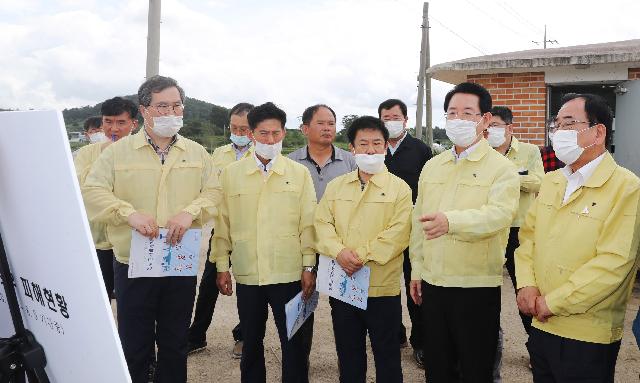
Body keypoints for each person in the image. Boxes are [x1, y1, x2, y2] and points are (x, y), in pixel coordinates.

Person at [83, 76, 221, 383]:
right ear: (144, 110)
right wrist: (127, 213)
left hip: (179, 262)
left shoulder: (196, 152)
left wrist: (190, 211)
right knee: (134, 343)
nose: (171, 112)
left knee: (175, 342)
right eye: (162, 106)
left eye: (176, 105)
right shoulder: (117, 153)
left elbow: (214, 192)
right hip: (133, 262)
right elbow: (93, 191)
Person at [515, 93, 640, 382]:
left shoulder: (626, 188)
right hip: (542, 325)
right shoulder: (551, 181)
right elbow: (528, 239)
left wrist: (554, 302)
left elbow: (614, 263)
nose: (559, 133)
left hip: (588, 334)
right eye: (556, 125)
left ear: (598, 132)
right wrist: (527, 286)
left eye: (569, 124)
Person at [409, 82, 520, 382]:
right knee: (438, 367)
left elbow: (498, 216)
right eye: (452, 113)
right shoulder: (432, 166)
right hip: (433, 282)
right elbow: (417, 220)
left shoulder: (501, 168)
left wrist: (451, 222)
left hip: (475, 286)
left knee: (475, 368)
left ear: (485, 120)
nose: (458, 120)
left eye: (468, 113)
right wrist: (417, 270)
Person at [214, 102, 316, 383]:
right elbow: (223, 224)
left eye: (276, 133)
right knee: (251, 343)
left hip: (290, 274)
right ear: (251, 134)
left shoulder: (299, 174)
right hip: (249, 274)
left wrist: (309, 265)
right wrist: (222, 265)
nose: (270, 140)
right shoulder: (232, 175)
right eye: (263, 133)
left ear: (284, 132)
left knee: (294, 343)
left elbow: (308, 224)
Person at [315, 116, 411, 383]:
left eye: (377, 143)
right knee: (348, 354)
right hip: (343, 284)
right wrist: (338, 251)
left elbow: (399, 233)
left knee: (387, 354)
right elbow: (321, 223)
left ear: (385, 146)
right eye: (364, 144)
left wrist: (360, 255)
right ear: (352, 148)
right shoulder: (336, 187)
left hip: (382, 287)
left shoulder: (399, 189)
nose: (370, 150)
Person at [188, 102, 254, 357]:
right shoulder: (219, 153)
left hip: (251, 230)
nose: (239, 132)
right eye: (235, 127)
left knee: (248, 287)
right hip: (222, 229)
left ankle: (244, 335)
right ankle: (196, 336)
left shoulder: (262, 153)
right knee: (208, 284)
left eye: (245, 128)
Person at [485, 105, 544, 380]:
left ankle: (536, 348)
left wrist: (507, 175)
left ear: (510, 128)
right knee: (487, 288)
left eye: (497, 125)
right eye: (489, 125)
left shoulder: (530, 152)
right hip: (491, 226)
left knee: (525, 286)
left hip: (519, 228)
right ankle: (487, 348)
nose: (491, 130)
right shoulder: (482, 151)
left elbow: (538, 182)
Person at [379, 98, 432, 366]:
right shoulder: (374, 150)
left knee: (415, 288)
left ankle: (421, 342)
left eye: (395, 117)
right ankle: (394, 333)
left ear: (406, 120)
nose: (390, 122)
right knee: (385, 287)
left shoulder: (420, 150)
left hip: (413, 230)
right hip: (382, 231)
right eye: (385, 118)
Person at [74, 97, 138, 300]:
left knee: (131, 300)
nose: (114, 128)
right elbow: (80, 186)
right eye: (108, 121)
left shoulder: (143, 153)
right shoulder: (86, 153)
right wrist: (105, 154)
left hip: (131, 240)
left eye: (121, 122)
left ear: (133, 124)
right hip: (98, 240)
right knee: (98, 297)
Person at [288, 104, 356, 201]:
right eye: (320, 123)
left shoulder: (351, 161)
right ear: (305, 129)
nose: (327, 128)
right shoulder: (291, 161)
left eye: (331, 124)